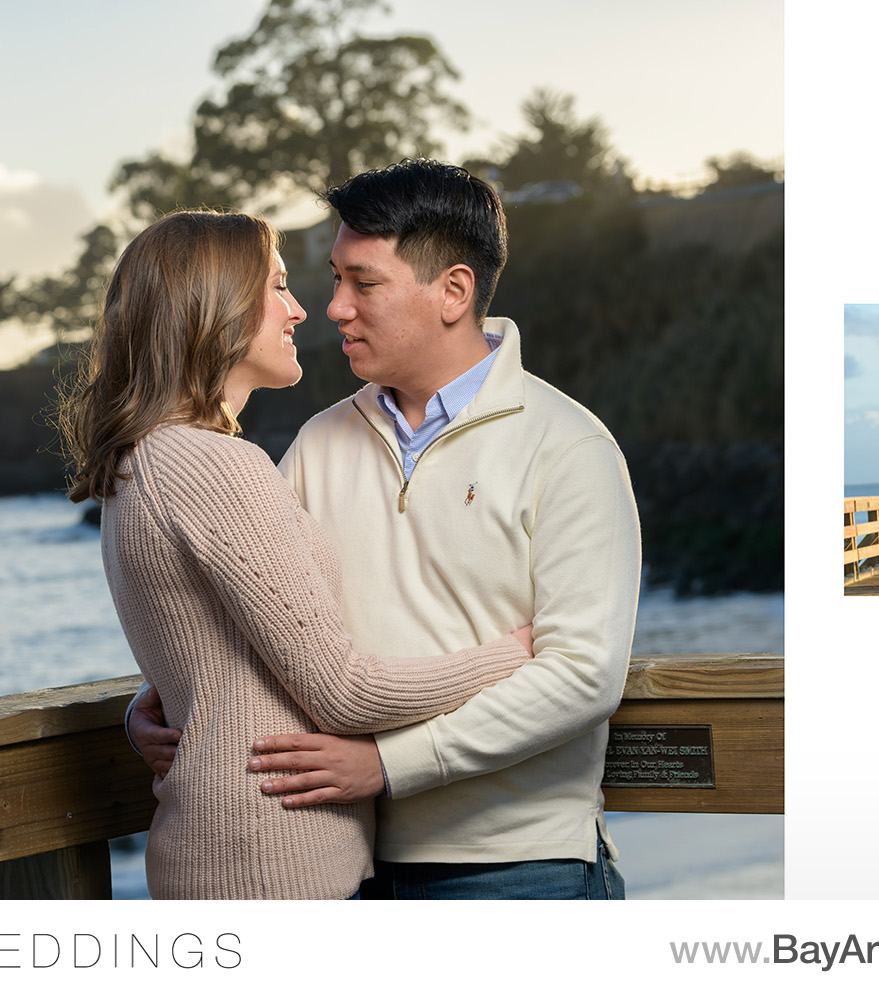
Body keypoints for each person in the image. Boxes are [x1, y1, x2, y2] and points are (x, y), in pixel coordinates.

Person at [131, 159, 642, 899]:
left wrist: (388, 765)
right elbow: (249, 617)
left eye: (362, 283)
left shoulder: (567, 445)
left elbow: (583, 676)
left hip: (520, 869)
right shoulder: (317, 442)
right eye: (334, 279)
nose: (334, 306)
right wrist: (155, 701)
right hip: (351, 864)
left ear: (453, 292)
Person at [63, 210, 537, 899]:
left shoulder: (147, 459)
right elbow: (344, 693)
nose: (298, 309)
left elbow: (209, 643)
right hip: (273, 866)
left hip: (231, 856)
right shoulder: (214, 464)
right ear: (215, 307)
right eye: (277, 287)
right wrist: (516, 654)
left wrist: (166, 699)